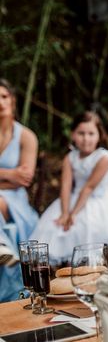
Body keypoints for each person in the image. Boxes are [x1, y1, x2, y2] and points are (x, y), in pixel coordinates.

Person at [31, 112, 108, 264]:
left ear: (99, 135)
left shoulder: (104, 158)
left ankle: (85, 266)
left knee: (82, 226)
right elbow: (65, 186)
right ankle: (60, 273)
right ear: (73, 134)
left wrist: (73, 214)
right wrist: (65, 213)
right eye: (81, 133)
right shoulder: (70, 157)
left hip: (97, 202)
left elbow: (89, 188)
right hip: (72, 199)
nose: (86, 138)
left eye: (91, 133)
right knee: (52, 226)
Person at [0, 79, 38, 301]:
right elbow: (15, 176)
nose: (0, 102)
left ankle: (3, 247)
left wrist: (15, 178)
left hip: (16, 203)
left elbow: (24, 179)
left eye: (4, 96)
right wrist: (9, 174)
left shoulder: (26, 136)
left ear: (12, 101)